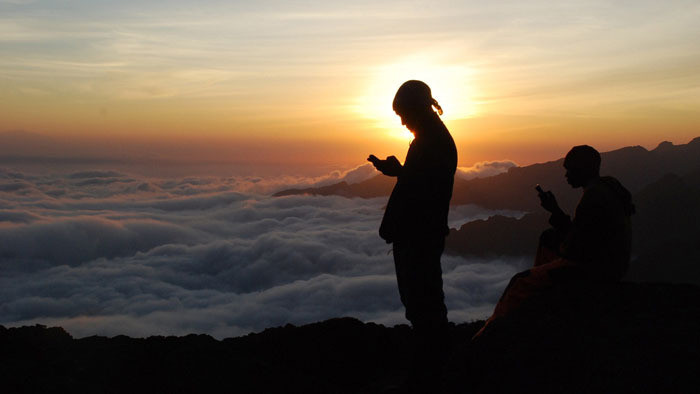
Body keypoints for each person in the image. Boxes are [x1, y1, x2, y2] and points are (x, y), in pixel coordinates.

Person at [473, 145, 635, 338]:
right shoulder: (606, 188)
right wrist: (555, 211)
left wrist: (557, 219)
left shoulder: (593, 197)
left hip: (596, 269)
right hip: (609, 263)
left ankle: (490, 334)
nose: (566, 175)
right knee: (549, 237)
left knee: (520, 282)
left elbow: (574, 249)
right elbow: (582, 235)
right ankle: (542, 294)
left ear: (583, 168)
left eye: (569, 170)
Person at [368, 80, 457, 388]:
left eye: (404, 114)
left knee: (423, 301)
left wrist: (401, 173)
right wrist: (400, 171)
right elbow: (423, 182)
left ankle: (432, 371)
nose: (403, 122)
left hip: (420, 235)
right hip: (420, 233)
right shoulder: (429, 138)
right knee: (422, 300)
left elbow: (425, 190)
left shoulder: (433, 141)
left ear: (418, 108)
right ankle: (432, 365)